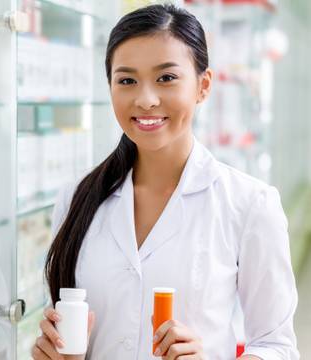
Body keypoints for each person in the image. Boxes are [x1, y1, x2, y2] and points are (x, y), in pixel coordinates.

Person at [31, 4, 299, 360]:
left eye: (166, 78)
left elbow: (276, 345)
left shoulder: (249, 204)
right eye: (126, 80)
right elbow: (63, 326)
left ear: (203, 86)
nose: (146, 99)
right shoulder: (77, 198)